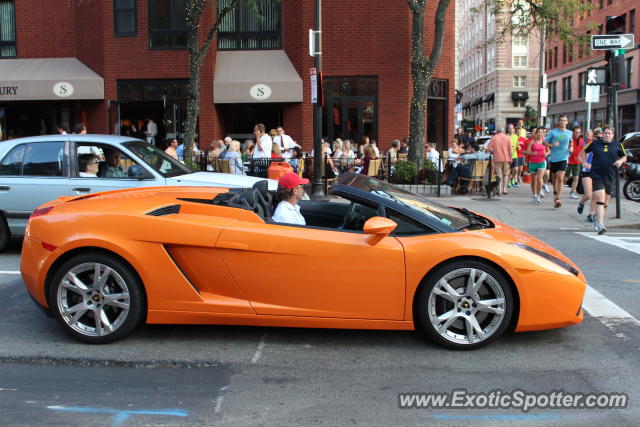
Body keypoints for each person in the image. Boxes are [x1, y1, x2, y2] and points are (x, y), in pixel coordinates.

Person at [584, 126, 626, 234]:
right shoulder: (595, 143)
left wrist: (620, 161)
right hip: (597, 175)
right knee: (600, 198)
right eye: (605, 133)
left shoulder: (617, 145)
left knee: (605, 202)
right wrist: (584, 162)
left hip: (610, 176)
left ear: (613, 135)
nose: (607, 135)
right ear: (602, 134)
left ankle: (596, 217)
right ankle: (600, 225)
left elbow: (624, 156)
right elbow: (583, 152)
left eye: (609, 133)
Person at [544, 114, 573, 208]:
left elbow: (571, 141)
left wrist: (571, 147)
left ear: (567, 122)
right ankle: (555, 193)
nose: (563, 122)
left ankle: (558, 198)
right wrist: (552, 145)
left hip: (564, 158)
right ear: (559, 122)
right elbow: (545, 142)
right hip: (553, 158)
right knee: (554, 178)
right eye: (561, 120)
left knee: (560, 177)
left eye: (565, 120)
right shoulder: (553, 132)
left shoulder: (569, 133)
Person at [524, 128, 549, 204]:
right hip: (532, 163)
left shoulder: (545, 142)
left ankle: (538, 195)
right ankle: (534, 195)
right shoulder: (532, 142)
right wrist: (532, 153)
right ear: (536, 133)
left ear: (543, 134)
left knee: (539, 179)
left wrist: (546, 154)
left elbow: (549, 150)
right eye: (539, 132)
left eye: (542, 132)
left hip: (542, 162)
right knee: (533, 181)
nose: (540, 134)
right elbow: (527, 152)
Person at [577, 128, 597, 223]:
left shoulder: (603, 145)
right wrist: (584, 163)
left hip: (597, 172)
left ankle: (590, 214)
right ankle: (582, 203)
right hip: (587, 171)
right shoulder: (588, 144)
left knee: (595, 195)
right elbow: (579, 156)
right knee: (588, 194)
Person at [486, 126, 512, 195]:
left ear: (497, 131)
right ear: (503, 131)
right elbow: (510, 150)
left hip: (497, 159)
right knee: (506, 174)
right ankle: (505, 189)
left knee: (499, 175)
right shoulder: (507, 138)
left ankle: (499, 190)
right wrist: (511, 158)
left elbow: (489, 149)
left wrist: (493, 151)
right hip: (506, 159)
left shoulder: (493, 138)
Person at [566, 126, 584, 199]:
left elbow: (582, 150)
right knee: (565, 178)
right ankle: (559, 190)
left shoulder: (582, 140)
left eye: (579, 132)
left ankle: (572, 192)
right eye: (576, 132)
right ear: (573, 132)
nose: (577, 134)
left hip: (577, 162)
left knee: (576, 178)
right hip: (569, 161)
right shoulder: (569, 139)